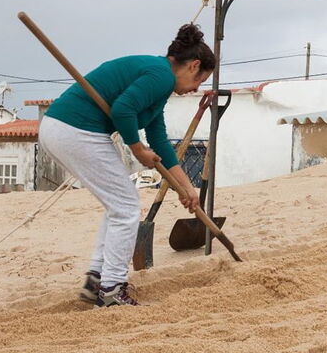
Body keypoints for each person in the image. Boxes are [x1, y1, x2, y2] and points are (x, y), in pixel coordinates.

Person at [38, 24, 214, 307]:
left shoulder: (158, 80)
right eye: (200, 81)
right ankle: (111, 290)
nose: (196, 89)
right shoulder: (159, 76)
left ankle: (97, 280)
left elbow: (158, 138)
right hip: (77, 129)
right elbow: (123, 109)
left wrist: (186, 188)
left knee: (118, 205)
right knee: (126, 207)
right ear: (194, 66)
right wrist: (137, 149)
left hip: (60, 128)